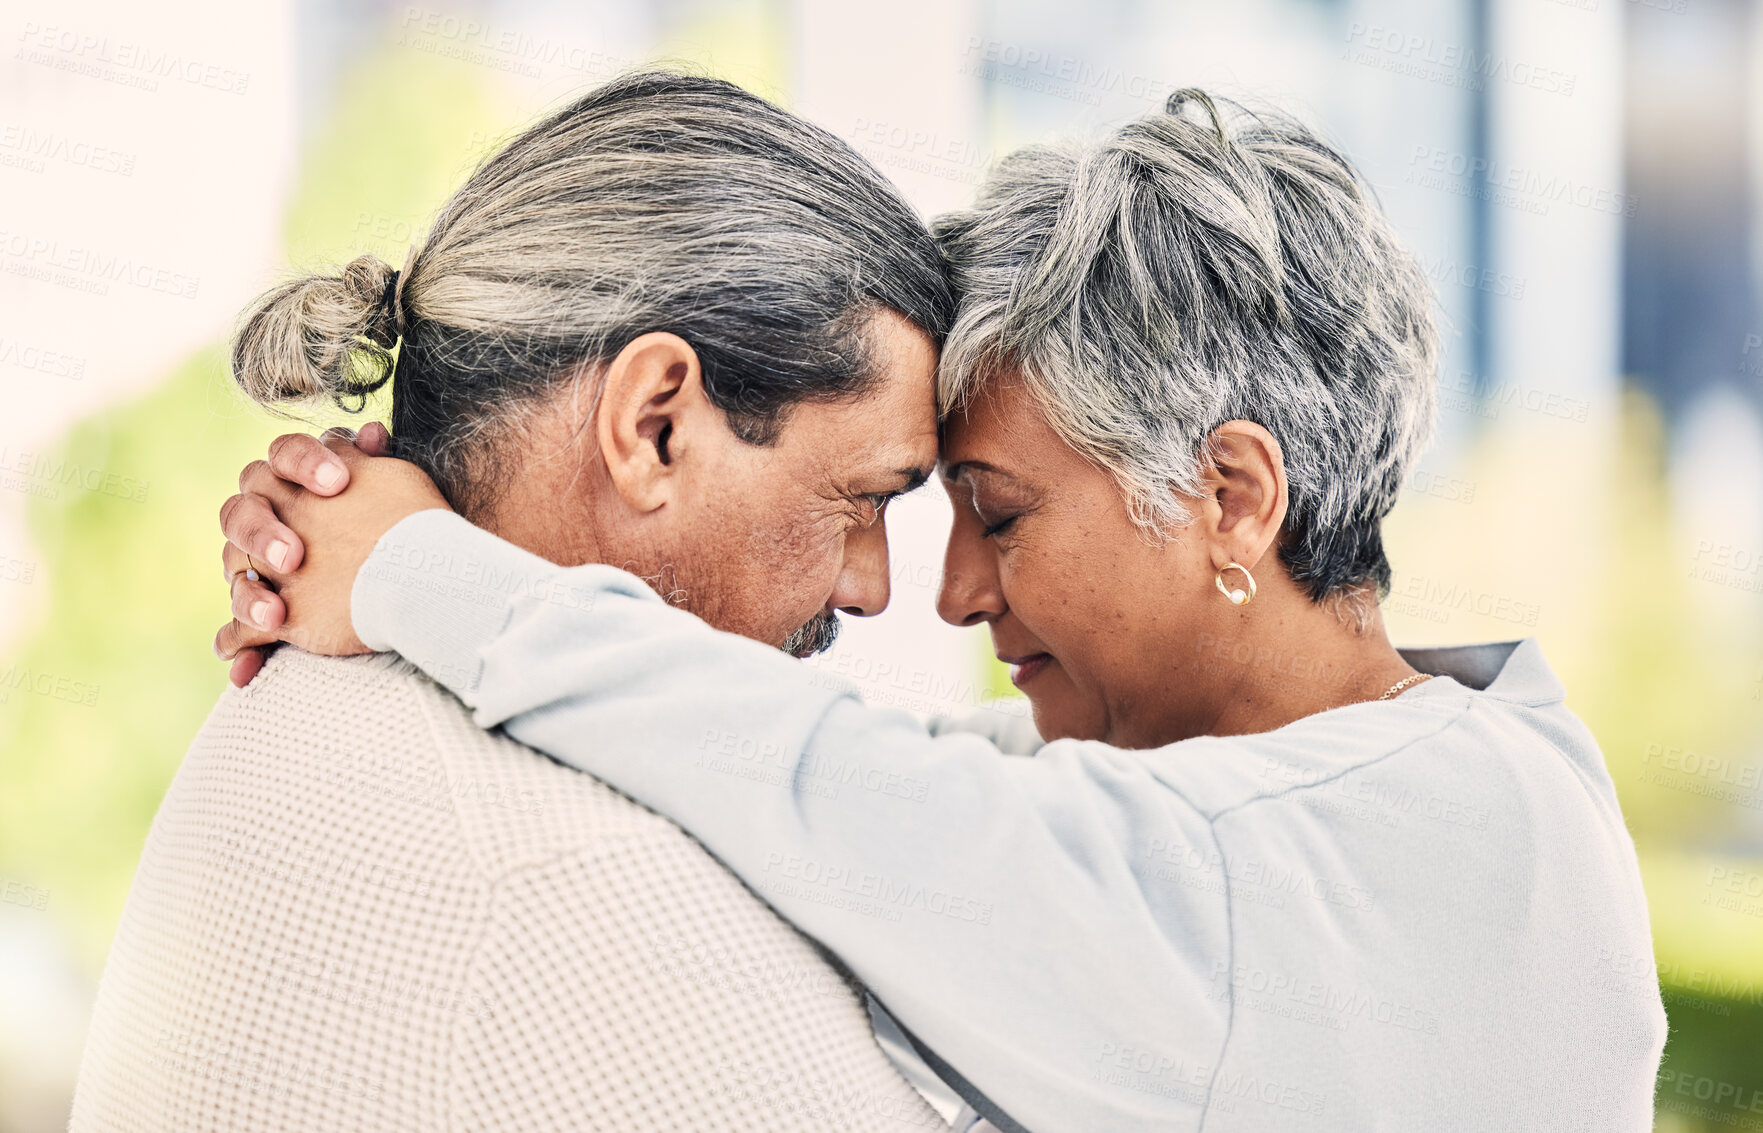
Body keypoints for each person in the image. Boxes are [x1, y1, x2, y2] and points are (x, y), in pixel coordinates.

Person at [216, 91, 1668, 1131]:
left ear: (1230, 494)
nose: (950, 592)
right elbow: (899, 779)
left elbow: (842, 790)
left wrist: (414, 565)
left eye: (1001, 512)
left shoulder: (1328, 868)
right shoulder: (1438, 785)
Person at [72, 71, 978, 1132]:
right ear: (653, 424)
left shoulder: (313, 704)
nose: (868, 585)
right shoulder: (594, 871)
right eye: (860, 499)